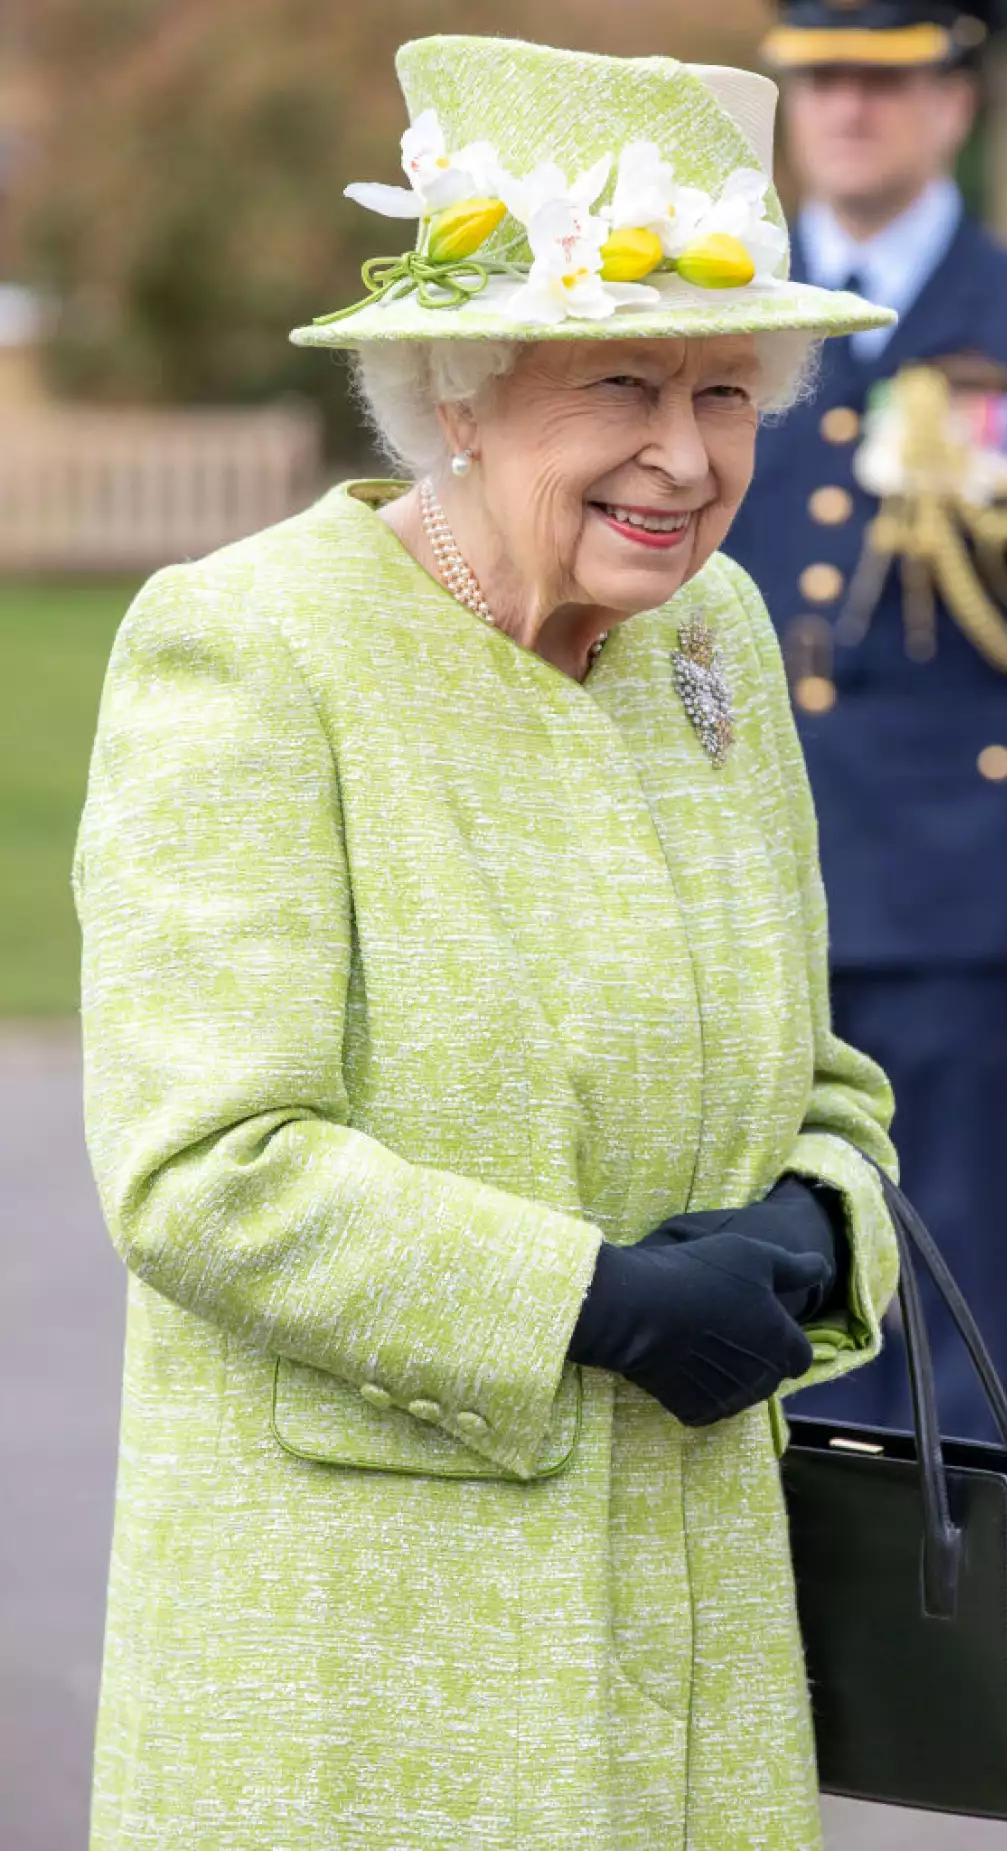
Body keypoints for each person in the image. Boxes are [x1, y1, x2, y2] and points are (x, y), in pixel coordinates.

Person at [74, 34, 902, 1851]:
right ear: (459, 389)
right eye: (622, 383)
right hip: (367, 1658)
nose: (685, 461)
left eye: (728, 393)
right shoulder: (253, 649)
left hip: (694, 1643)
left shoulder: (712, 635)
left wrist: (815, 1217)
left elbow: (821, 1072)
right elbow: (205, 1166)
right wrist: (589, 1302)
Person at [726, 0, 1007, 1441]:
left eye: (884, 82)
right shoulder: (722, 304)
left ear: (955, 106)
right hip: (738, 859)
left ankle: (974, 1644)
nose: (848, 110)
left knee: (950, 1267)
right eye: (822, 82)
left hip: (956, 873)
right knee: (741, 1264)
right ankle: (773, 1632)